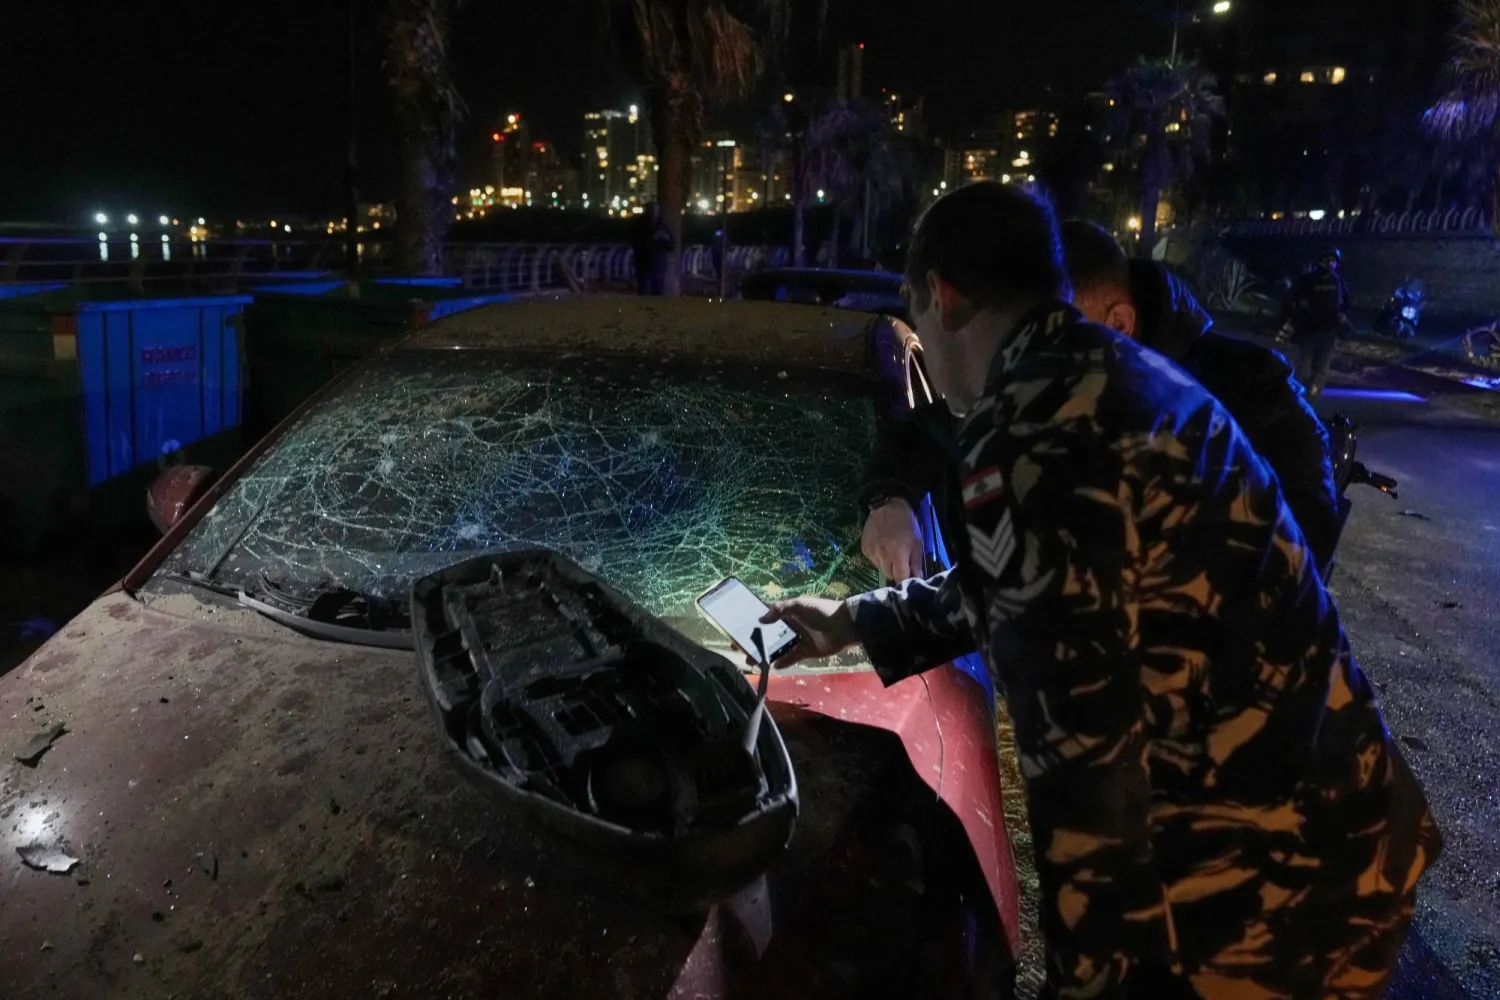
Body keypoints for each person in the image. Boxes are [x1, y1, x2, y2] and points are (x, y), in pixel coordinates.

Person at [764, 183, 1439, 1000]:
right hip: (1334, 828)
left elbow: (1086, 766)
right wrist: (852, 622)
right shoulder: (1115, 374)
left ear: (942, 296)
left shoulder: (1028, 428)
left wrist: (1088, 983)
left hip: (1258, 892)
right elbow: (1038, 580)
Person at [861, 221, 1342, 580]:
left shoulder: (1251, 391)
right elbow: (924, 432)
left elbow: (1299, 545)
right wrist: (890, 500)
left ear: (1118, 325)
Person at [1282, 246, 1351, 399]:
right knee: (1304, 368)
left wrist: (1343, 317)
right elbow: (1293, 300)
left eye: (1334, 261)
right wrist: (1298, 311)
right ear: (1320, 261)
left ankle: (1312, 398)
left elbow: (1346, 304)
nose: (1331, 263)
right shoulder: (1308, 280)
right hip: (1309, 330)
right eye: (1328, 260)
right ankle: (1298, 397)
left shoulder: (1338, 282)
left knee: (1321, 369)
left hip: (1329, 332)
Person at [631, 203, 673, 295]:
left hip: (657, 261)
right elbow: (636, 242)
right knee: (644, 288)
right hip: (643, 260)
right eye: (652, 210)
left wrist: (666, 239)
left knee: (657, 287)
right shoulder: (640, 225)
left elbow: (671, 245)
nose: (654, 213)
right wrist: (653, 238)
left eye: (655, 210)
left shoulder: (661, 225)